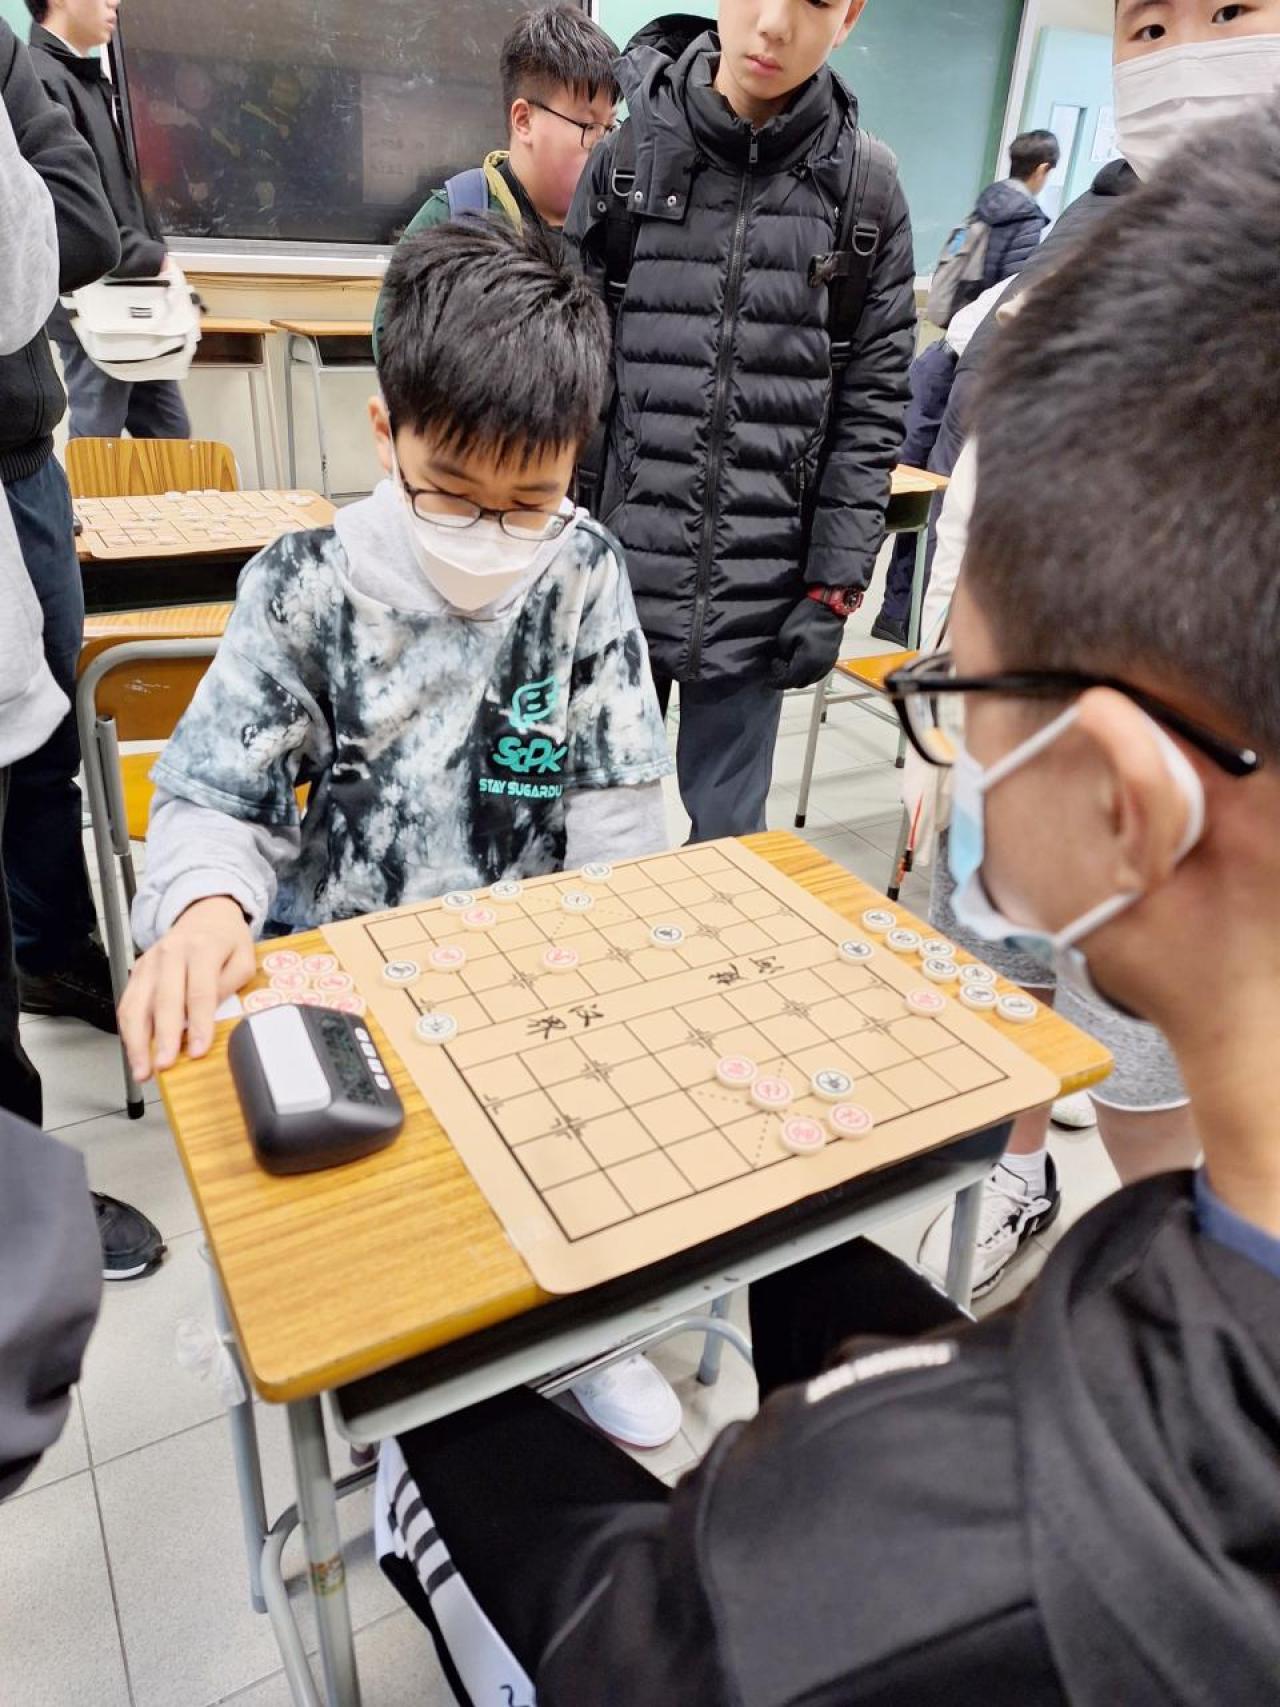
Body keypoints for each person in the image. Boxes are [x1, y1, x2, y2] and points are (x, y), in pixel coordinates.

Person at [377, 102, 1280, 1704]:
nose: (945, 744)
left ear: (1117, 799)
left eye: (956, 685)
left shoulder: (883, 1586)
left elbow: (643, 1628)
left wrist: (423, 1396)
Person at [119, 218, 685, 1450]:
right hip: (348, 984)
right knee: (384, 1223)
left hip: (533, 971)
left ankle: (590, 1338)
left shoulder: (581, 572)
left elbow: (619, 805)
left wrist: (619, 961)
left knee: (565, 1162)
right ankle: (398, 1374)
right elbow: (215, 797)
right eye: (452, 493)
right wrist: (204, 910)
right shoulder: (305, 585)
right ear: (384, 433)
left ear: (575, 463)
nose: (489, 532)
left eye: (527, 501)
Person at [912, 0, 1280, 1296]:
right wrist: (944, 697)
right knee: (1000, 969)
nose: (1178, 61)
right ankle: (1018, 1174)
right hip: (1022, 710)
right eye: (1147, 26)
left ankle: (1180, 1262)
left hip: (1203, 794)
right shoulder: (1073, 248)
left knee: (1150, 1060)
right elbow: (974, 494)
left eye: (1227, 11)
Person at [566, 2, 915, 842]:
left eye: (815, 2)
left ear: (850, 15)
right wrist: (553, 551)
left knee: (727, 856)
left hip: (760, 596)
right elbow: (566, 374)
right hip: (613, 585)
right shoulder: (626, 162)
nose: (773, 25)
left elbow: (871, 406)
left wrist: (834, 586)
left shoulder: (866, 191)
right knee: (587, 839)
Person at [0, 43, 164, 1282]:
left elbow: (80, 227)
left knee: (48, 742)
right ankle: (18, 1214)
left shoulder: (17, 68)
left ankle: (54, 952)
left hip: (16, 465)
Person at [869, 129, 1057, 646]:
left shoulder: (982, 209)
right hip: (974, 371)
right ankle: (919, 631)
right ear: (1043, 170)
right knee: (944, 508)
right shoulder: (1030, 226)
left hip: (940, 360)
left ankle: (896, 614)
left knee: (916, 498)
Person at [373, 2, 619, 353]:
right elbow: (393, 341)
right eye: (588, 125)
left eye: (610, 127)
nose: (603, 145)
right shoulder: (457, 215)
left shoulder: (617, 224)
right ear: (524, 120)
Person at [26, 0, 191, 441]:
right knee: (100, 438)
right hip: (92, 294)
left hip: (128, 287)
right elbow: (65, 208)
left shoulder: (84, 79)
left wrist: (151, 255)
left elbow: (117, 194)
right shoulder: (41, 80)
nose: (113, 1)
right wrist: (151, 256)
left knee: (169, 434)